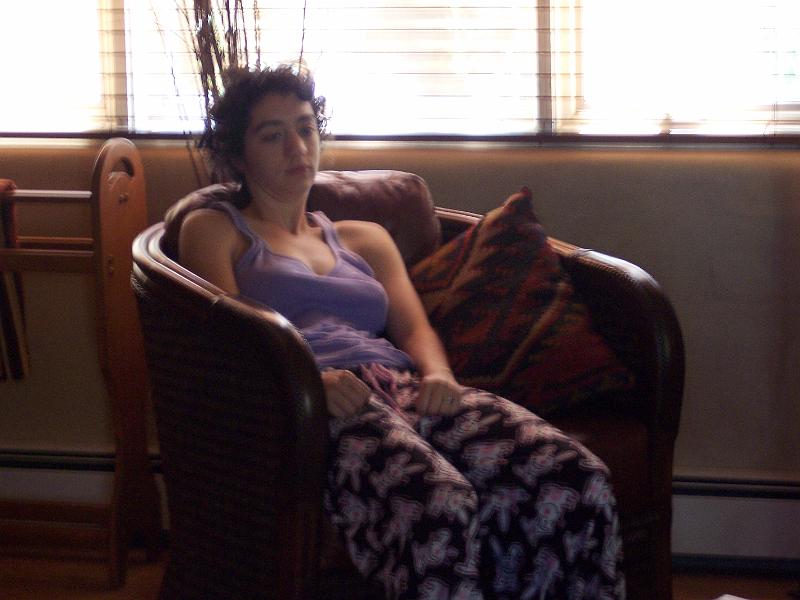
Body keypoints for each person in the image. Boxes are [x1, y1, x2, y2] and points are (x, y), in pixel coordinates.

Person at [179, 65, 625, 600]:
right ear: (237, 156)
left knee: (574, 475)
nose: (296, 146)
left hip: (402, 386)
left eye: (304, 127)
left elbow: (412, 326)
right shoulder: (215, 228)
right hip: (311, 408)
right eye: (271, 135)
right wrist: (305, 384)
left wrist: (438, 373)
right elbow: (226, 343)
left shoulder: (364, 237)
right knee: (439, 504)